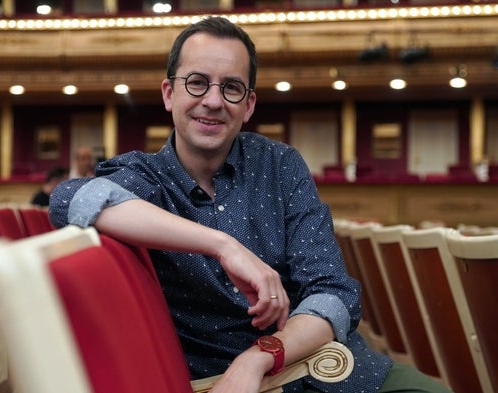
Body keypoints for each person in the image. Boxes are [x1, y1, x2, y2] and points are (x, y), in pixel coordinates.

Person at [50, 17, 451, 393]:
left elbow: (333, 292)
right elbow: (71, 199)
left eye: (231, 87)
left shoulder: (281, 165)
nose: (213, 100)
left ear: (249, 105)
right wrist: (223, 245)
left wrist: (262, 355)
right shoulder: (145, 177)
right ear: (169, 94)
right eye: (197, 83)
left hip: (329, 366)